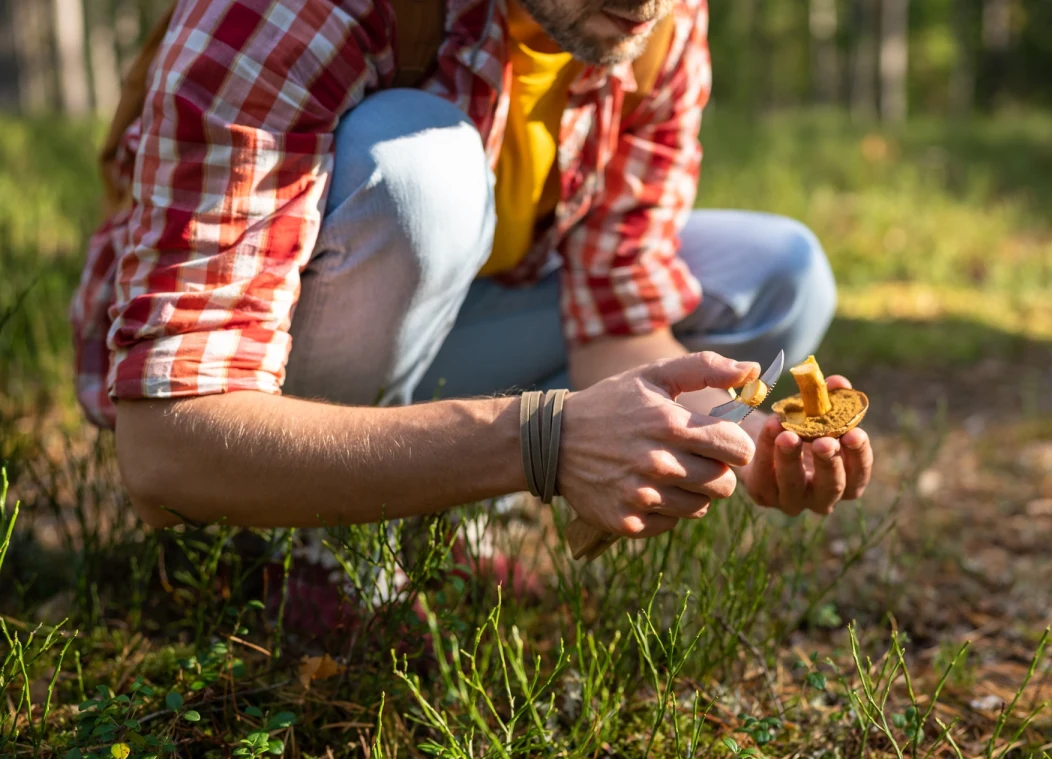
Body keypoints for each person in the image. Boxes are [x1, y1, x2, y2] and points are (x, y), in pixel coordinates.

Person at [69, 0, 873, 544]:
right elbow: (166, 453)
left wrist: (745, 440)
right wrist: (542, 440)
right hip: (261, 385)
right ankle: (295, 552)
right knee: (422, 167)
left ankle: (427, 517)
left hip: (447, 325)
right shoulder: (301, 9)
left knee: (779, 273)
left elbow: (619, 321)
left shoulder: (655, 21)